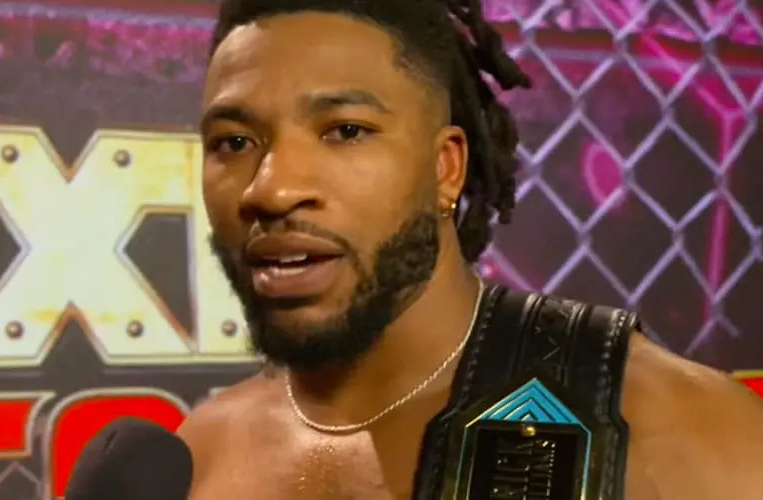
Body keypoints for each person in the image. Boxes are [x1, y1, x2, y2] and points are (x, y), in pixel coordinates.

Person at [177, 0, 763, 498]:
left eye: (346, 131)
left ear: (446, 168)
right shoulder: (202, 455)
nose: (272, 189)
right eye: (234, 142)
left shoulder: (677, 434)